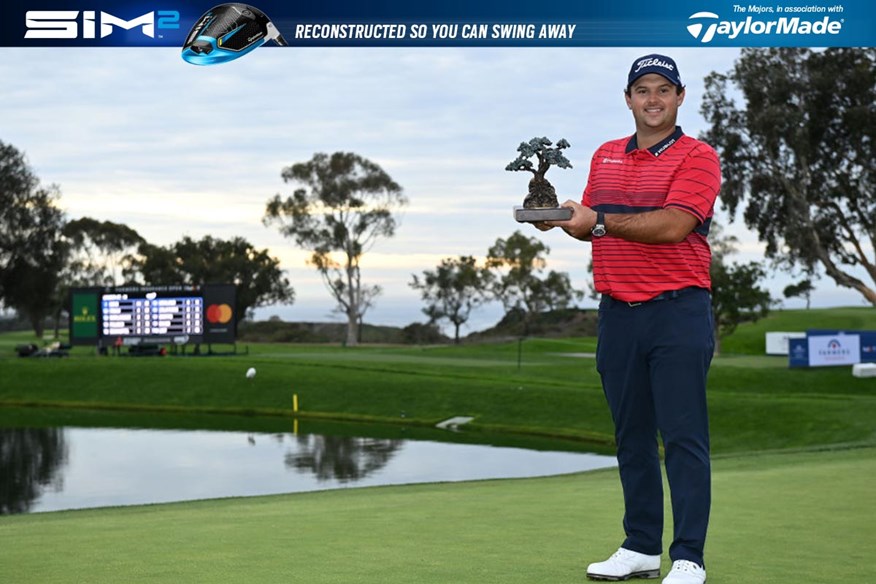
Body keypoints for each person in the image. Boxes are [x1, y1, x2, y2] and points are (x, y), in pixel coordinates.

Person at [541, 54, 720, 584]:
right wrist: (562, 219)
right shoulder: (604, 156)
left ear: (680, 97)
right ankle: (641, 546)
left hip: (678, 311)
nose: (653, 99)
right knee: (632, 436)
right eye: (642, 90)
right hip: (617, 314)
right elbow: (594, 226)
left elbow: (672, 226)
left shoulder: (698, 156)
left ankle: (688, 556)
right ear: (628, 99)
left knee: (683, 438)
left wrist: (598, 221)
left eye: (663, 89)